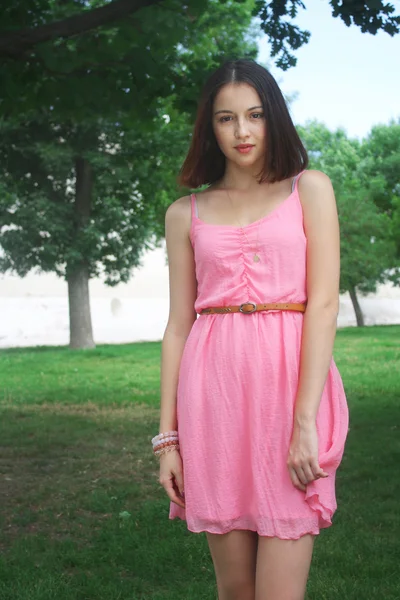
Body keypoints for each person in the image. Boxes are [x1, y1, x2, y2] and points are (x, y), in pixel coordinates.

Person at [152, 58, 349, 600]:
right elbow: (176, 326)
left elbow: (325, 303)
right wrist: (167, 439)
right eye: (226, 118)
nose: (242, 131)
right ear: (209, 128)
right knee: (235, 589)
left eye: (255, 115)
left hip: (291, 398)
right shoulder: (183, 213)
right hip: (212, 401)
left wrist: (305, 420)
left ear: (274, 118)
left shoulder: (310, 189)